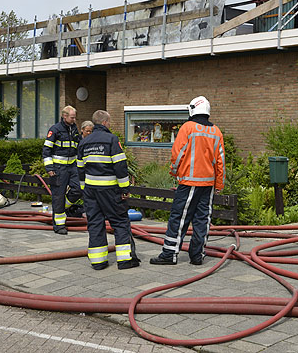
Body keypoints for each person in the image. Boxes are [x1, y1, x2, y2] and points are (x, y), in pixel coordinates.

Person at [150, 96, 225, 266]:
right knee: (202, 219)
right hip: (208, 185)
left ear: (193, 109)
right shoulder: (216, 132)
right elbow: (220, 161)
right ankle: (197, 256)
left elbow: (177, 155)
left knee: (179, 218)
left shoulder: (188, 128)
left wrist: (174, 172)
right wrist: (219, 184)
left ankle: (169, 254)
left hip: (189, 183)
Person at [77, 110, 140, 270]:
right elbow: (120, 166)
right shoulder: (111, 140)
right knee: (119, 221)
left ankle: (98, 262)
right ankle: (125, 260)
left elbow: (80, 169)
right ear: (105, 122)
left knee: (95, 223)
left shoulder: (84, 142)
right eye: (109, 122)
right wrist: (125, 188)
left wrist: (85, 190)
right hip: (110, 190)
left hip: (91, 191)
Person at [42, 105, 82, 235]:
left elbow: (79, 146)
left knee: (79, 188)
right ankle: (59, 225)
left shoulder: (74, 128)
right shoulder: (55, 130)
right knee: (58, 195)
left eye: (75, 117)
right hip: (59, 169)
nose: (74, 119)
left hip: (73, 167)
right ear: (65, 116)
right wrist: (49, 168)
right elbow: (46, 150)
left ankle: (62, 208)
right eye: (72, 117)